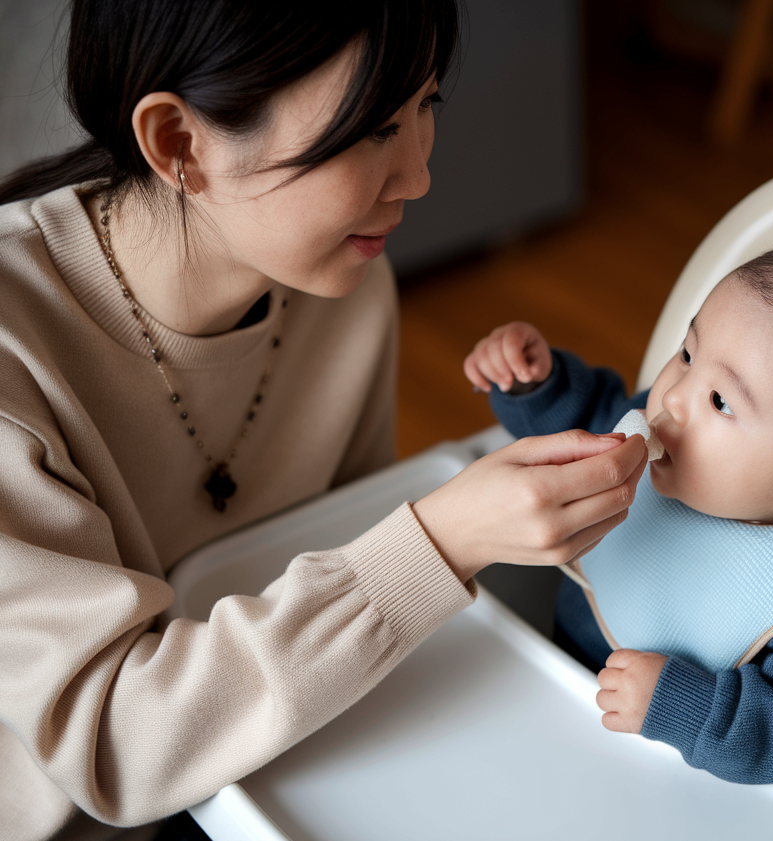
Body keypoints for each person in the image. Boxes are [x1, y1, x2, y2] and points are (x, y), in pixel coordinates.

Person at [0, 2, 650, 839]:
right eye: (373, 129)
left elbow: (333, 548)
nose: (417, 175)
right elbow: (116, 747)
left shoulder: (336, 285)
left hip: (267, 772)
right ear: (178, 143)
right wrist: (440, 541)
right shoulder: (16, 359)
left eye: (426, 108)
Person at [465, 233, 773, 784]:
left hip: (705, 782)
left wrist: (687, 707)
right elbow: (581, 426)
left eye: (720, 401)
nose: (673, 397)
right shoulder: (653, 436)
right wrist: (536, 384)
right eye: (686, 354)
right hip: (555, 704)